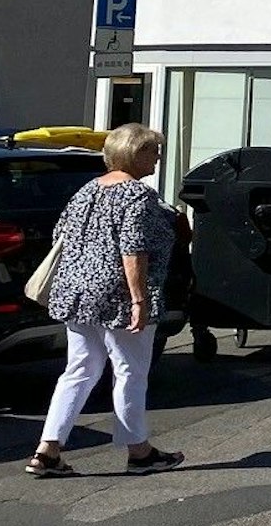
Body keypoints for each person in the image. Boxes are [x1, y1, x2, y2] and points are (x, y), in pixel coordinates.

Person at [25, 124, 183, 478]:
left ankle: (48, 450)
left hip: (75, 292)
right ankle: (139, 452)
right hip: (117, 295)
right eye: (152, 150)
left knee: (79, 369)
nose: (157, 157)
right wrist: (139, 300)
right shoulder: (138, 196)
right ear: (135, 154)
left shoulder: (86, 191)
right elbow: (133, 250)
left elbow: (60, 234)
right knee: (130, 371)